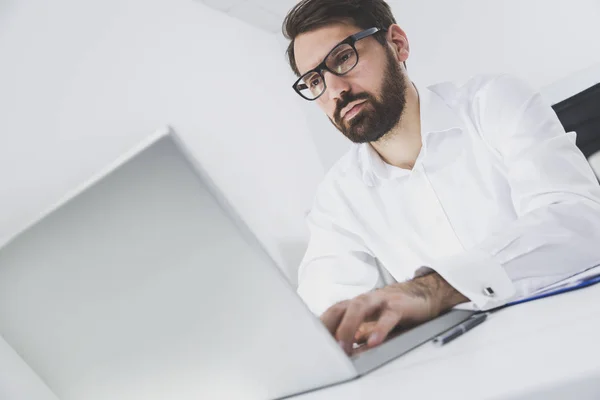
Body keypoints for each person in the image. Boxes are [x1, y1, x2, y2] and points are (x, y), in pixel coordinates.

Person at [282, 0, 600, 355]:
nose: (334, 90)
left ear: (397, 44)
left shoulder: (492, 102)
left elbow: (581, 219)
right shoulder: (337, 196)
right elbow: (324, 310)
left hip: (578, 337)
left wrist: (432, 289)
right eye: (314, 80)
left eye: (343, 58)